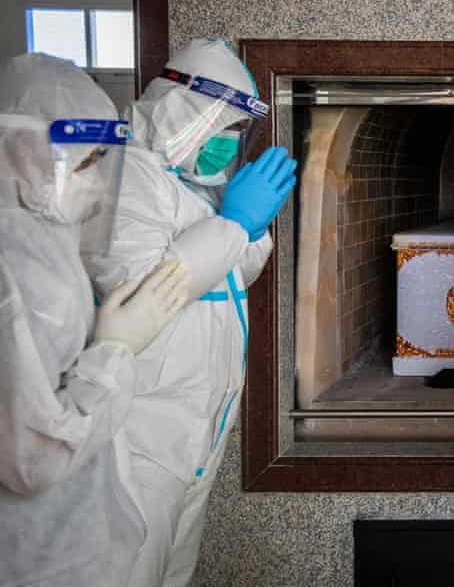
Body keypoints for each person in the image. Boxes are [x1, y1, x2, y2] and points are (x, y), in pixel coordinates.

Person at [83, 39, 297, 587]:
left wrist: (245, 222)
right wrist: (233, 224)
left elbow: (235, 275)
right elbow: (137, 289)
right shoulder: (125, 176)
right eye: (223, 129)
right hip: (140, 434)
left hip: (193, 431)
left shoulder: (191, 185)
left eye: (235, 133)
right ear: (187, 111)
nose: (229, 146)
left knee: (171, 573)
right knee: (130, 570)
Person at [0, 53, 190, 586]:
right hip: (41, 562)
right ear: (18, 150)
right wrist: (113, 353)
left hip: (77, 547)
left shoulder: (45, 245)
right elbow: (32, 459)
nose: (99, 185)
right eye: (84, 164)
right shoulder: (15, 271)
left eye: (103, 162)